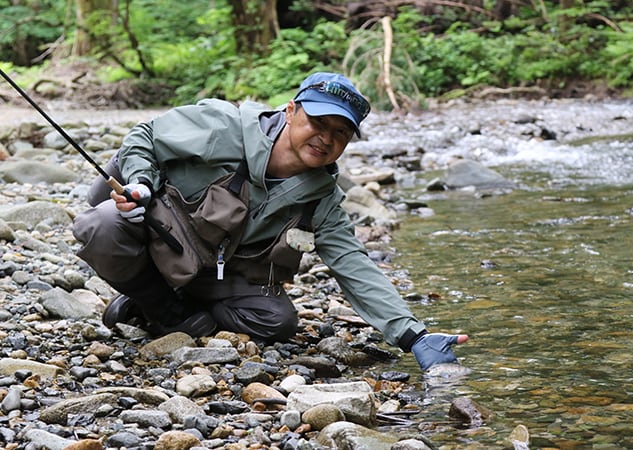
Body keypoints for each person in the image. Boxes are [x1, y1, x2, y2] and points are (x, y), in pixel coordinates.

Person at [72, 72, 468, 371]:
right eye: (318, 123)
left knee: (278, 321)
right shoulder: (224, 127)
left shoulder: (322, 199)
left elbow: (354, 265)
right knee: (102, 225)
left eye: (340, 133)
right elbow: (145, 135)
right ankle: (161, 308)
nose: (326, 138)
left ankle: (151, 302)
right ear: (291, 110)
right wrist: (140, 183)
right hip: (163, 236)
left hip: (217, 273)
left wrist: (413, 335)